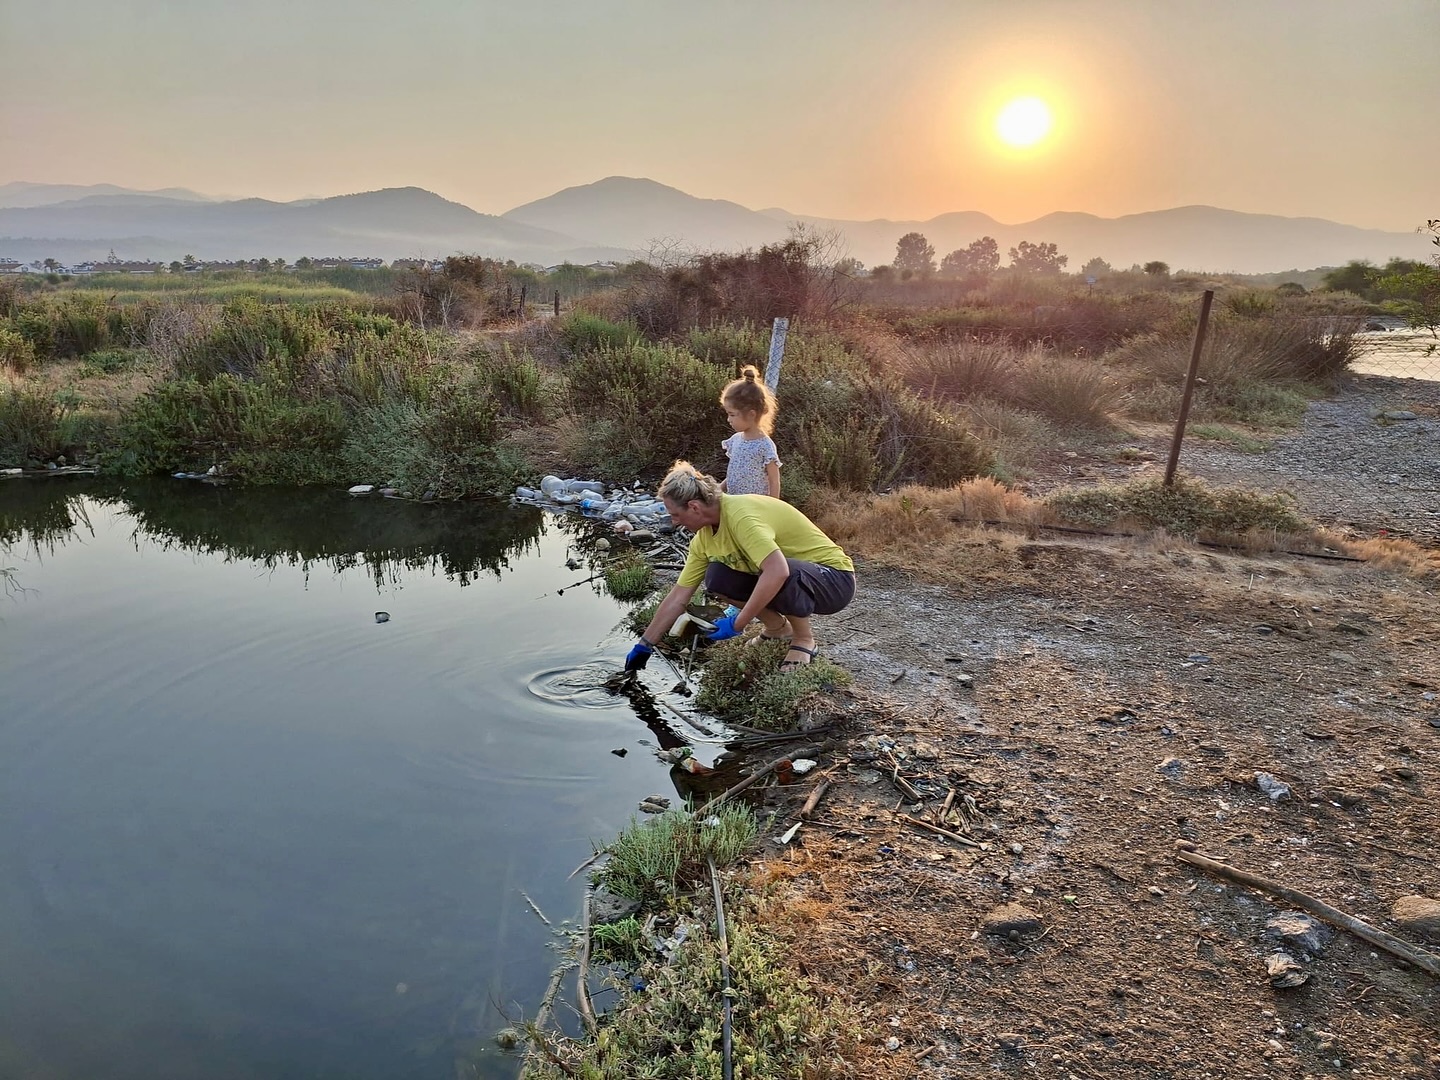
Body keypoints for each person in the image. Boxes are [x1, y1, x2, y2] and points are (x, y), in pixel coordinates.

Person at [624, 461, 855, 674]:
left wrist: (738, 623)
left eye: (675, 514)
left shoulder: (741, 515)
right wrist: (645, 645)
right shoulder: (703, 539)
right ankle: (778, 629)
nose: (674, 521)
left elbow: (778, 571)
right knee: (717, 577)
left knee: (782, 568)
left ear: (694, 507)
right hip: (793, 578)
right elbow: (678, 597)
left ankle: (804, 639)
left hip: (833, 581)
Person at [718, 365, 781, 499]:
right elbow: (734, 474)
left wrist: (774, 506)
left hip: (755, 506)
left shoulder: (765, 446)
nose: (728, 419)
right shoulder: (735, 440)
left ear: (751, 414)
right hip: (734, 502)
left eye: (732, 415)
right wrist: (718, 490)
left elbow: (774, 481)